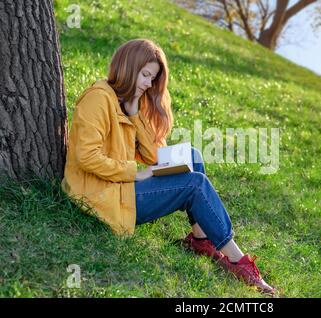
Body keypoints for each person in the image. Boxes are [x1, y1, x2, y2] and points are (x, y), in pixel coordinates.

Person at [61, 39, 275, 295]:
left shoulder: (124, 102)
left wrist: (133, 114)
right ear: (128, 67)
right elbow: (87, 156)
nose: (148, 84)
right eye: (145, 75)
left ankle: (200, 240)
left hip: (118, 188)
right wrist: (136, 173)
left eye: (152, 78)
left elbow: (153, 156)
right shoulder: (98, 99)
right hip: (100, 196)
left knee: (192, 156)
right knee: (195, 184)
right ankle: (237, 262)